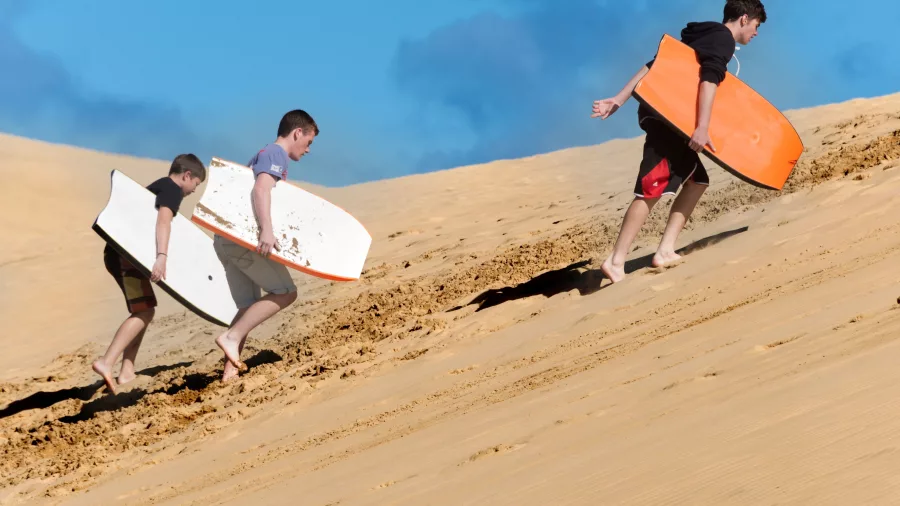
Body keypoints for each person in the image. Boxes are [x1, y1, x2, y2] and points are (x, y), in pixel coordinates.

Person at [591, 0, 766, 283]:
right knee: (651, 187)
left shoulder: (702, 35)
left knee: (698, 181)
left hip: (665, 117)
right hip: (670, 121)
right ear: (745, 18)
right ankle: (615, 260)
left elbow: (655, 65)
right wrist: (702, 127)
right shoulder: (722, 40)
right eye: (757, 26)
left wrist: (620, 99)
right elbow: (709, 80)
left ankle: (665, 250)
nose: (756, 33)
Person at [213, 109, 319, 381]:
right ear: (297, 133)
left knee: (249, 306)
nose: (308, 150)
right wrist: (267, 231)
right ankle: (230, 337)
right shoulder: (275, 154)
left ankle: (229, 372)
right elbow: (261, 189)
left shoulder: (267, 154)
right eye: (308, 142)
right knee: (286, 292)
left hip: (226, 239)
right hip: (242, 241)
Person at [93, 154, 207, 393]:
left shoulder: (161, 186)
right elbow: (163, 222)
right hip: (125, 257)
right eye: (195, 184)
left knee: (143, 309)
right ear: (187, 176)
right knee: (145, 311)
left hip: (123, 255)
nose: (193, 191)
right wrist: (162, 257)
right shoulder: (172, 189)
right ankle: (106, 362)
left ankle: (127, 371)